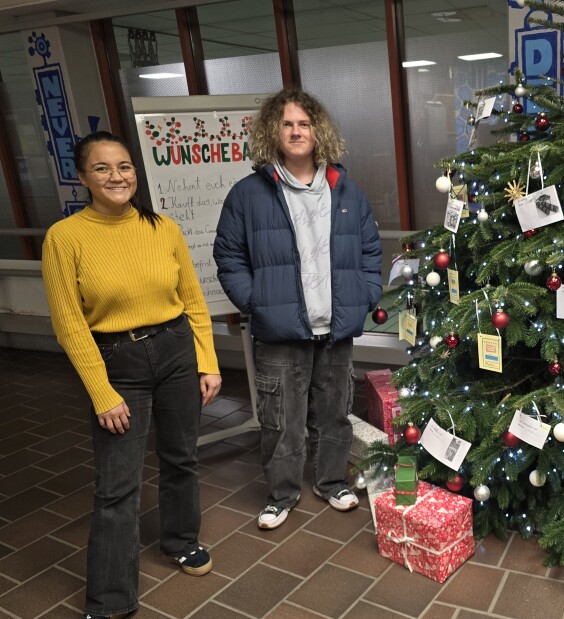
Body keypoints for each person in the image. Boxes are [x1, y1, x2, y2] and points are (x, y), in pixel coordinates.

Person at [41, 131, 222, 618]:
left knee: (181, 456)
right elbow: (70, 326)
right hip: (117, 361)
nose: (116, 176)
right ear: (83, 178)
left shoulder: (162, 227)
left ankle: (180, 540)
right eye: (102, 168)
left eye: (124, 166)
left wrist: (207, 360)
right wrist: (101, 392)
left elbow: (193, 301)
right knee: (117, 485)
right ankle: (110, 599)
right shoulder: (65, 237)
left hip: (177, 351)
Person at [213, 89, 383, 529]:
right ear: (273, 132)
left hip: (336, 327)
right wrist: (257, 304)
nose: (296, 131)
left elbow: (369, 251)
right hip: (280, 330)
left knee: (334, 415)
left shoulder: (345, 189)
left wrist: (365, 295)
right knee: (281, 420)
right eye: (287, 124)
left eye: (304, 124)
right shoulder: (249, 194)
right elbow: (229, 257)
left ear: (317, 130)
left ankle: (332, 483)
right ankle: (282, 493)